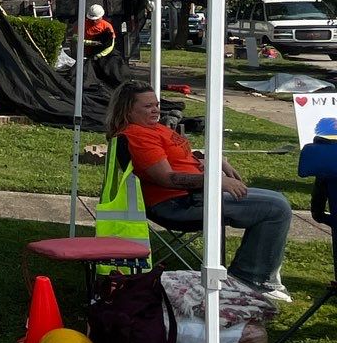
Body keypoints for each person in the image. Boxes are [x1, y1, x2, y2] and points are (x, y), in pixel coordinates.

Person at [107, 81, 292, 300]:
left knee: (275, 201)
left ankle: (254, 274)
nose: (156, 109)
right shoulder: (138, 135)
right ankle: (252, 280)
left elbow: (178, 159)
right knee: (275, 208)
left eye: (156, 104)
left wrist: (213, 161)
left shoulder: (154, 129)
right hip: (179, 203)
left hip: (195, 194)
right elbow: (167, 178)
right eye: (147, 106)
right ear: (127, 109)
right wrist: (214, 181)